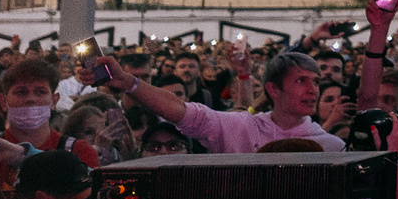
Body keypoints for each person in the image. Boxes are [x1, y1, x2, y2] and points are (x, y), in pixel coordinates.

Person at [99, 48, 344, 152]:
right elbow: (181, 111)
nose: (312, 89)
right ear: (273, 89)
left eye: (315, 81)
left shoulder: (331, 147)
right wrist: (128, 83)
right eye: (301, 81)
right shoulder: (240, 127)